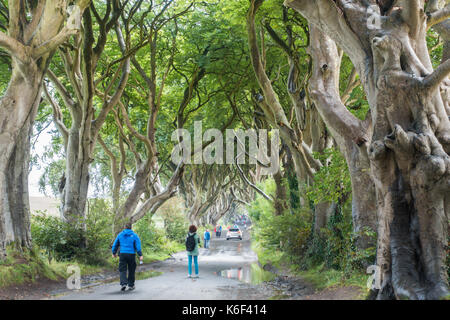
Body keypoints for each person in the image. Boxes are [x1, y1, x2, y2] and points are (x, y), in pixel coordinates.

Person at [112, 222, 143, 291]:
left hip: (122, 254)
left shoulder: (120, 235)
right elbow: (138, 246)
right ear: (131, 227)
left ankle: (123, 284)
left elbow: (115, 244)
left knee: (122, 269)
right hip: (131, 254)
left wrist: (114, 253)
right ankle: (131, 285)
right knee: (131, 269)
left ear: (124, 227)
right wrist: (140, 254)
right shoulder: (134, 235)